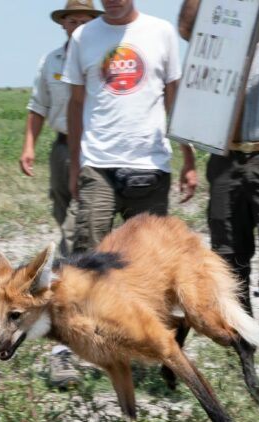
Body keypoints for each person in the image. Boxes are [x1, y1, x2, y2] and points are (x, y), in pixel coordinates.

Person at [177, 0, 259, 314]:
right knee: (227, 254)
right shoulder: (227, 29)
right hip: (226, 158)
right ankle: (242, 337)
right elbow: (186, 27)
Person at [61, 0, 197, 254]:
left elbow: (173, 101)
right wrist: (74, 167)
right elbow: (76, 104)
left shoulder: (161, 31)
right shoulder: (83, 36)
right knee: (88, 260)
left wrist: (188, 159)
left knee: (151, 261)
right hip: (97, 166)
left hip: (150, 165)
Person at [19, 0, 103, 389]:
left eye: (85, 18)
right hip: (64, 147)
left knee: (81, 238)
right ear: (63, 24)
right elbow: (38, 106)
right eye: (71, 18)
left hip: (102, 151)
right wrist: (29, 146)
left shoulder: (108, 55)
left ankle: (72, 337)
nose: (77, 24)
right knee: (68, 228)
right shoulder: (50, 60)